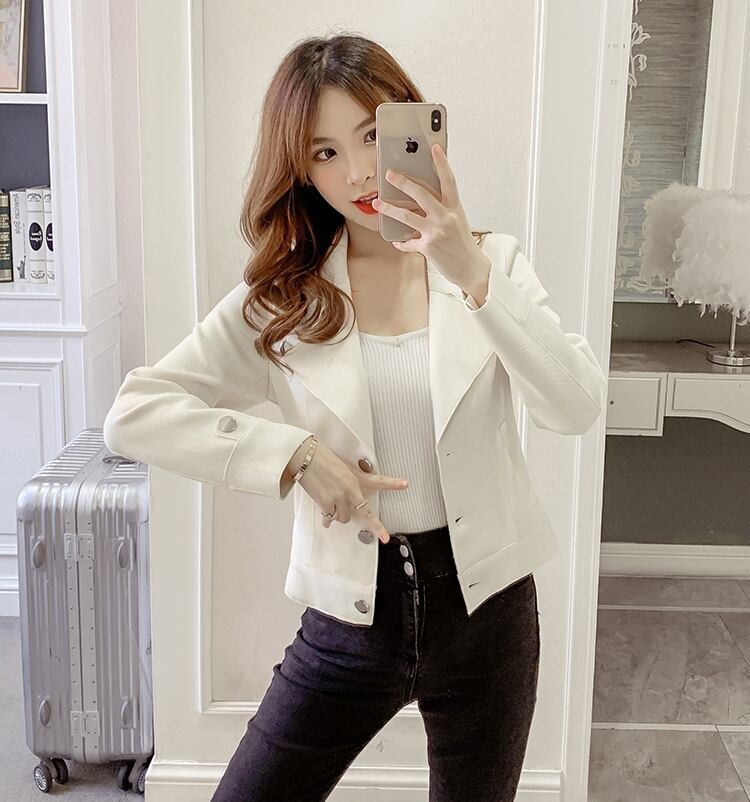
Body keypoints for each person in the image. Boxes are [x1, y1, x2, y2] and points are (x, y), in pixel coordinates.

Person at [104, 32, 608, 802]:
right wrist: (296, 455)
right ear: (301, 171)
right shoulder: (287, 298)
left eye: (373, 135)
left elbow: (574, 405)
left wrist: (470, 273)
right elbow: (135, 412)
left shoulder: (493, 264)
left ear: (415, 127)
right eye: (325, 153)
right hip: (351, 617)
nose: (359, 172)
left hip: (489, 613)